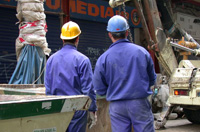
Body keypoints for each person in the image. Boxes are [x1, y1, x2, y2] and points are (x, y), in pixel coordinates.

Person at [93, 15, 157, 132]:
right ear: (127, 32)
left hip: (117, 106)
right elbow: (152, 79)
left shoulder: (103, 58)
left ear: (109, 34)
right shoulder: (142, 52)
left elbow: (99, 88)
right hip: (139, 103)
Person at [45, 21, 97, 132]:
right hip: (77, 110)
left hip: (57, 109)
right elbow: (88, 89)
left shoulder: (51, 60)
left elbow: (48, 89)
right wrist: (92, 109)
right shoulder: (83, 60)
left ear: (62, 39)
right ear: (77, 38)